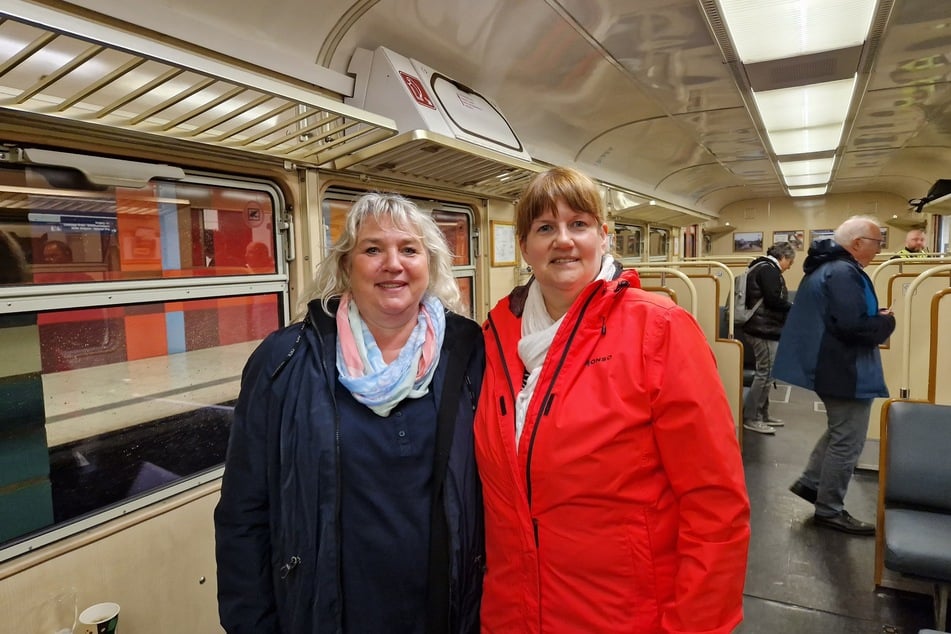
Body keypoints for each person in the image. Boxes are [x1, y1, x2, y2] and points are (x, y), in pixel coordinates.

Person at [474, 167, 750, 633]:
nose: (563, 240)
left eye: (578, 224)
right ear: (525, 247)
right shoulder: (493, 338)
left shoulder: (659, 329)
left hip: (624, 616)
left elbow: (715, 504)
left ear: (604, 237)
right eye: (545, 228)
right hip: (514, 612)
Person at [214, 192, 485, 634]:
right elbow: (244, 511)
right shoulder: (284, 360)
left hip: (449, 611)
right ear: (346, 266)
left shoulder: (468, 351)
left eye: (409, 249)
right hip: (327, 612)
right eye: (373, 249)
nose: (392, 264)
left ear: (430, 265)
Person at [774, 216, 895, 536]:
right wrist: (886, 322)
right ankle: (829, 509)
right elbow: (852, 326)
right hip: (844, 368)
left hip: (831, 364)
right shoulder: (843, 273)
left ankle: (812, 482)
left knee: (839, 431)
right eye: (876, 243)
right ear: (857, 244)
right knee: (848, 441)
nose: (879, 250)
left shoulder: (828, 268)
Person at [741, 242, 795, 435]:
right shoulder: (769, 270)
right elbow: (772, 300)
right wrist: (792, 306)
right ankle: (751, 417)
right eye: (790, 261)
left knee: (767, 373)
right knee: (765, 373)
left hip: (762, 327)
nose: (790, 266)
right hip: (762, 329)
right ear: (784, 257)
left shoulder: (760, 267)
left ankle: (762, 413)